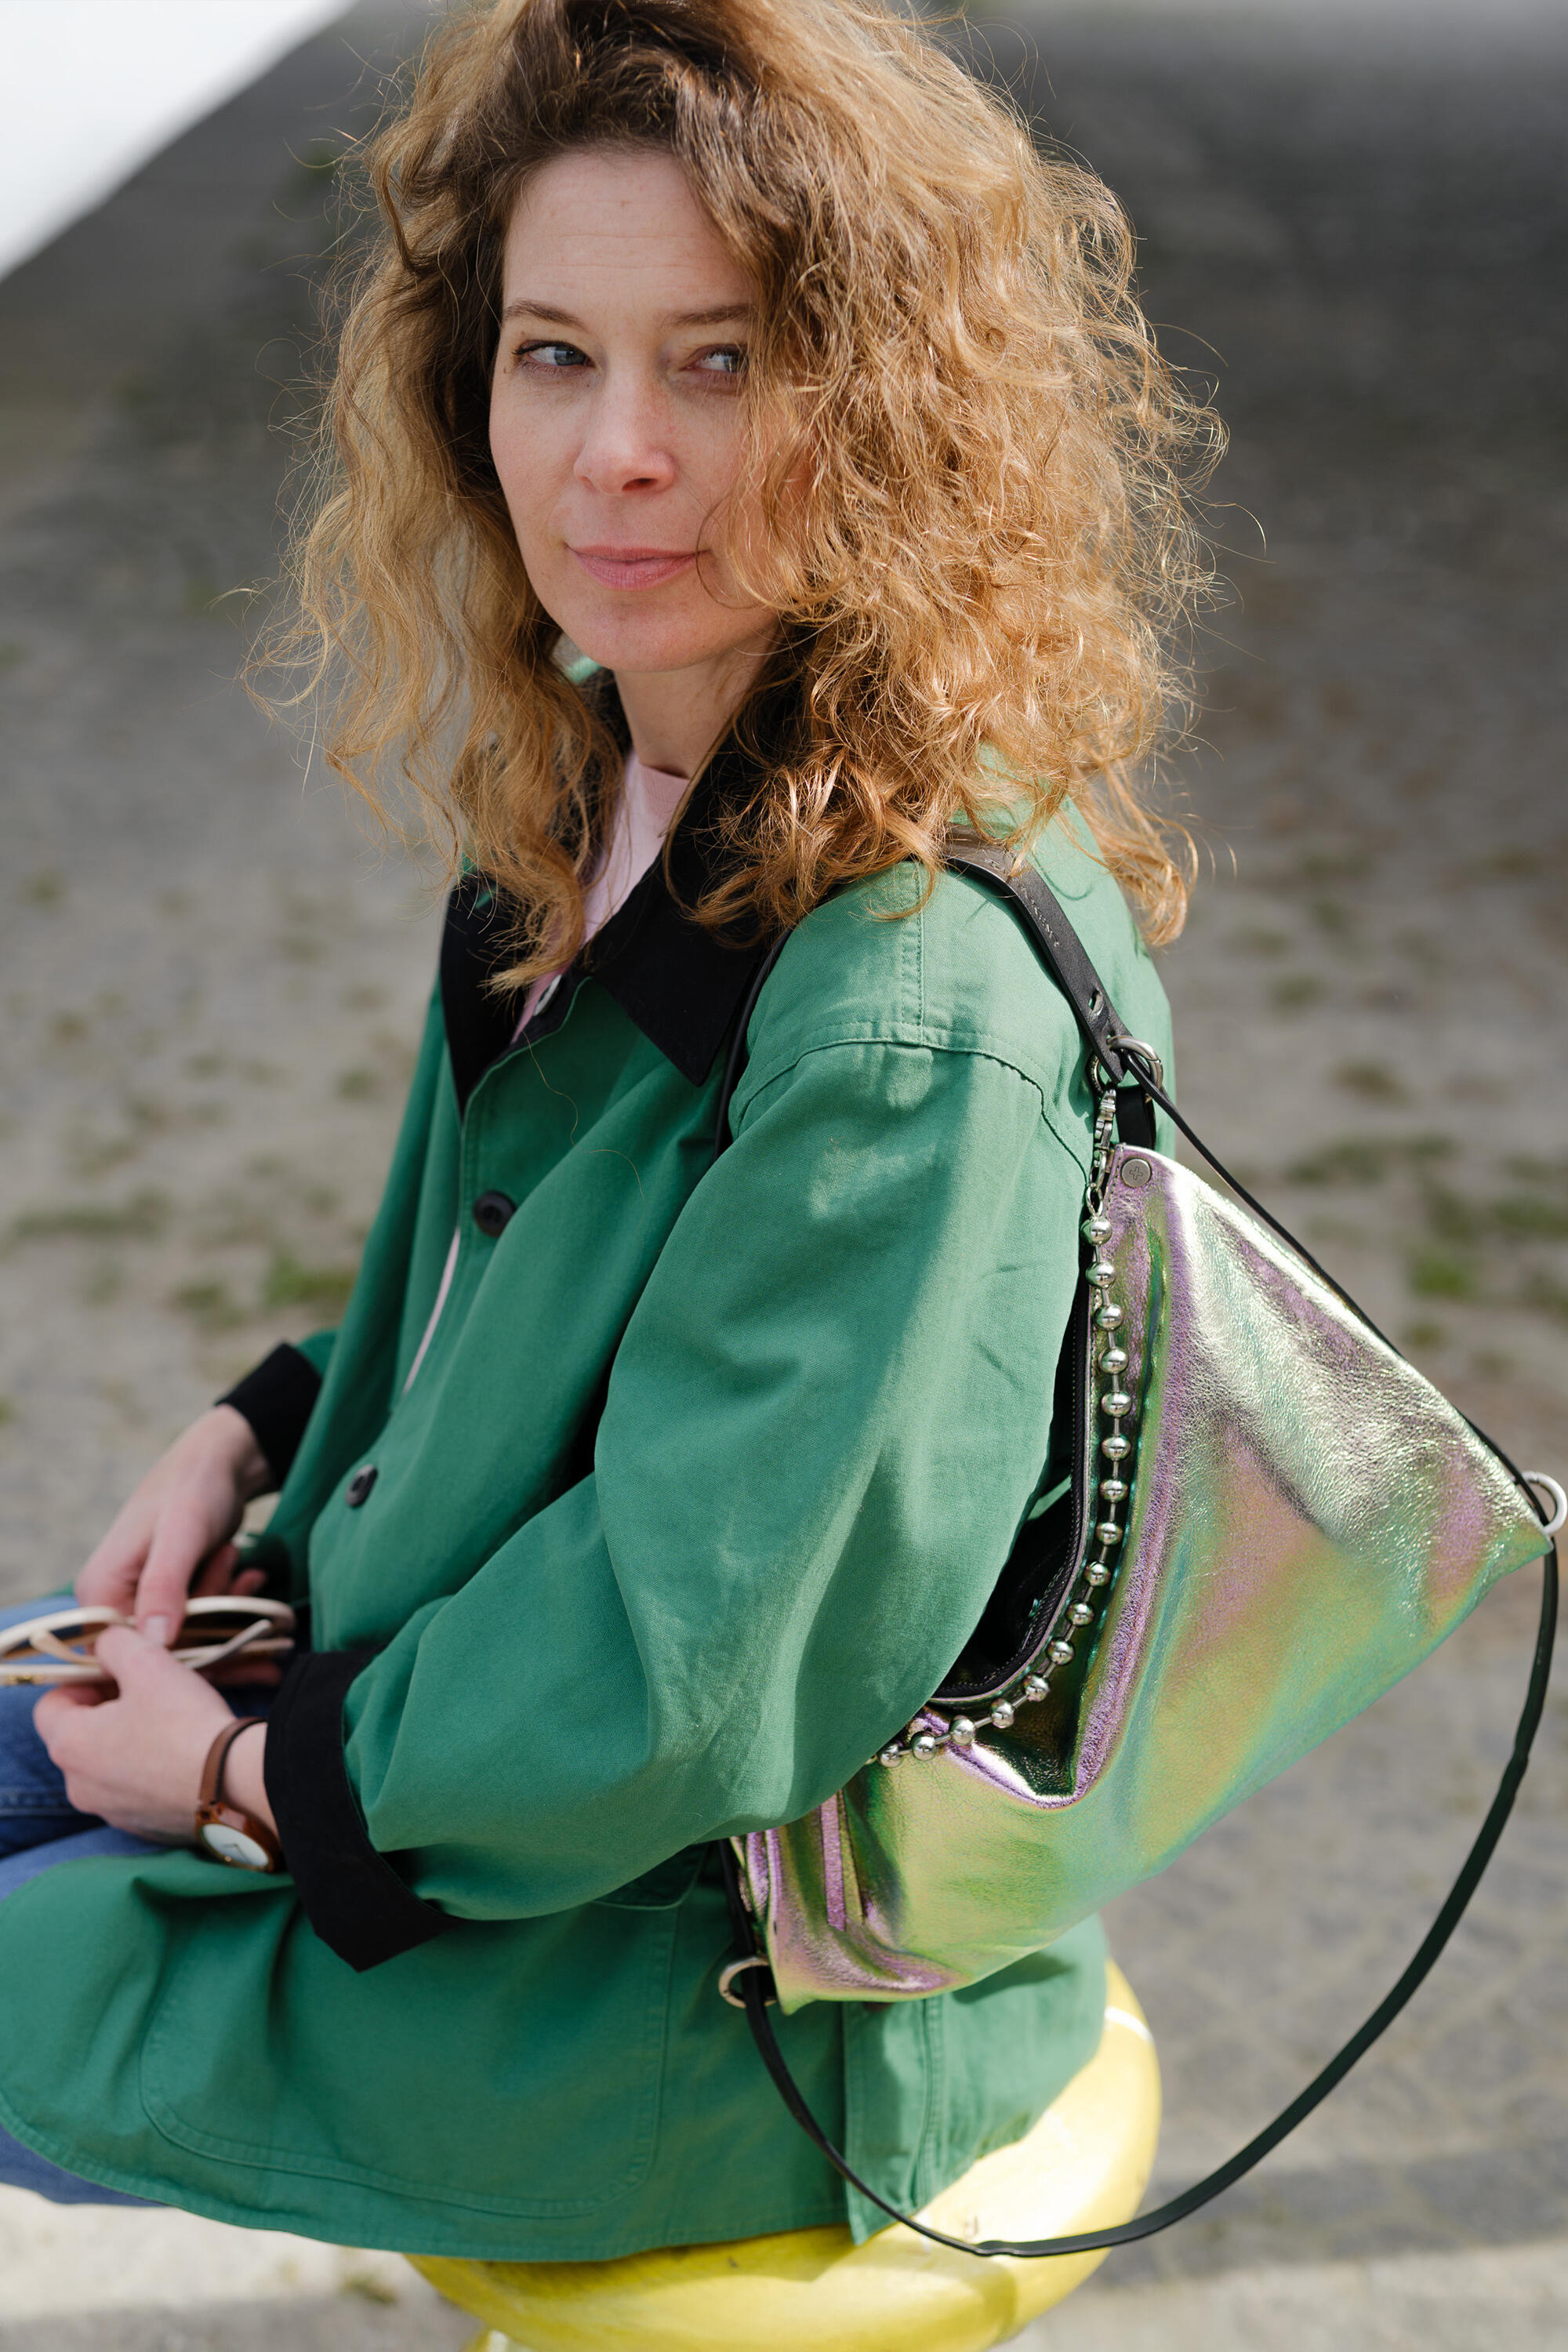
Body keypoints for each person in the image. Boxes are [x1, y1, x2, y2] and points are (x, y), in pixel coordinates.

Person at [0, 0, 1213, 2256]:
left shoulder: (906, 1002)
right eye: (556, 353)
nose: (617, 454)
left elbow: (688, 1670)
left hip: (710, 1991)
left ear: (888, 398)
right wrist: (252, 1434)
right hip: (459, 1748)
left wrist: (246, 1778)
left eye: (722, 361)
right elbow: (540, 1273)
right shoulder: (610, 782)